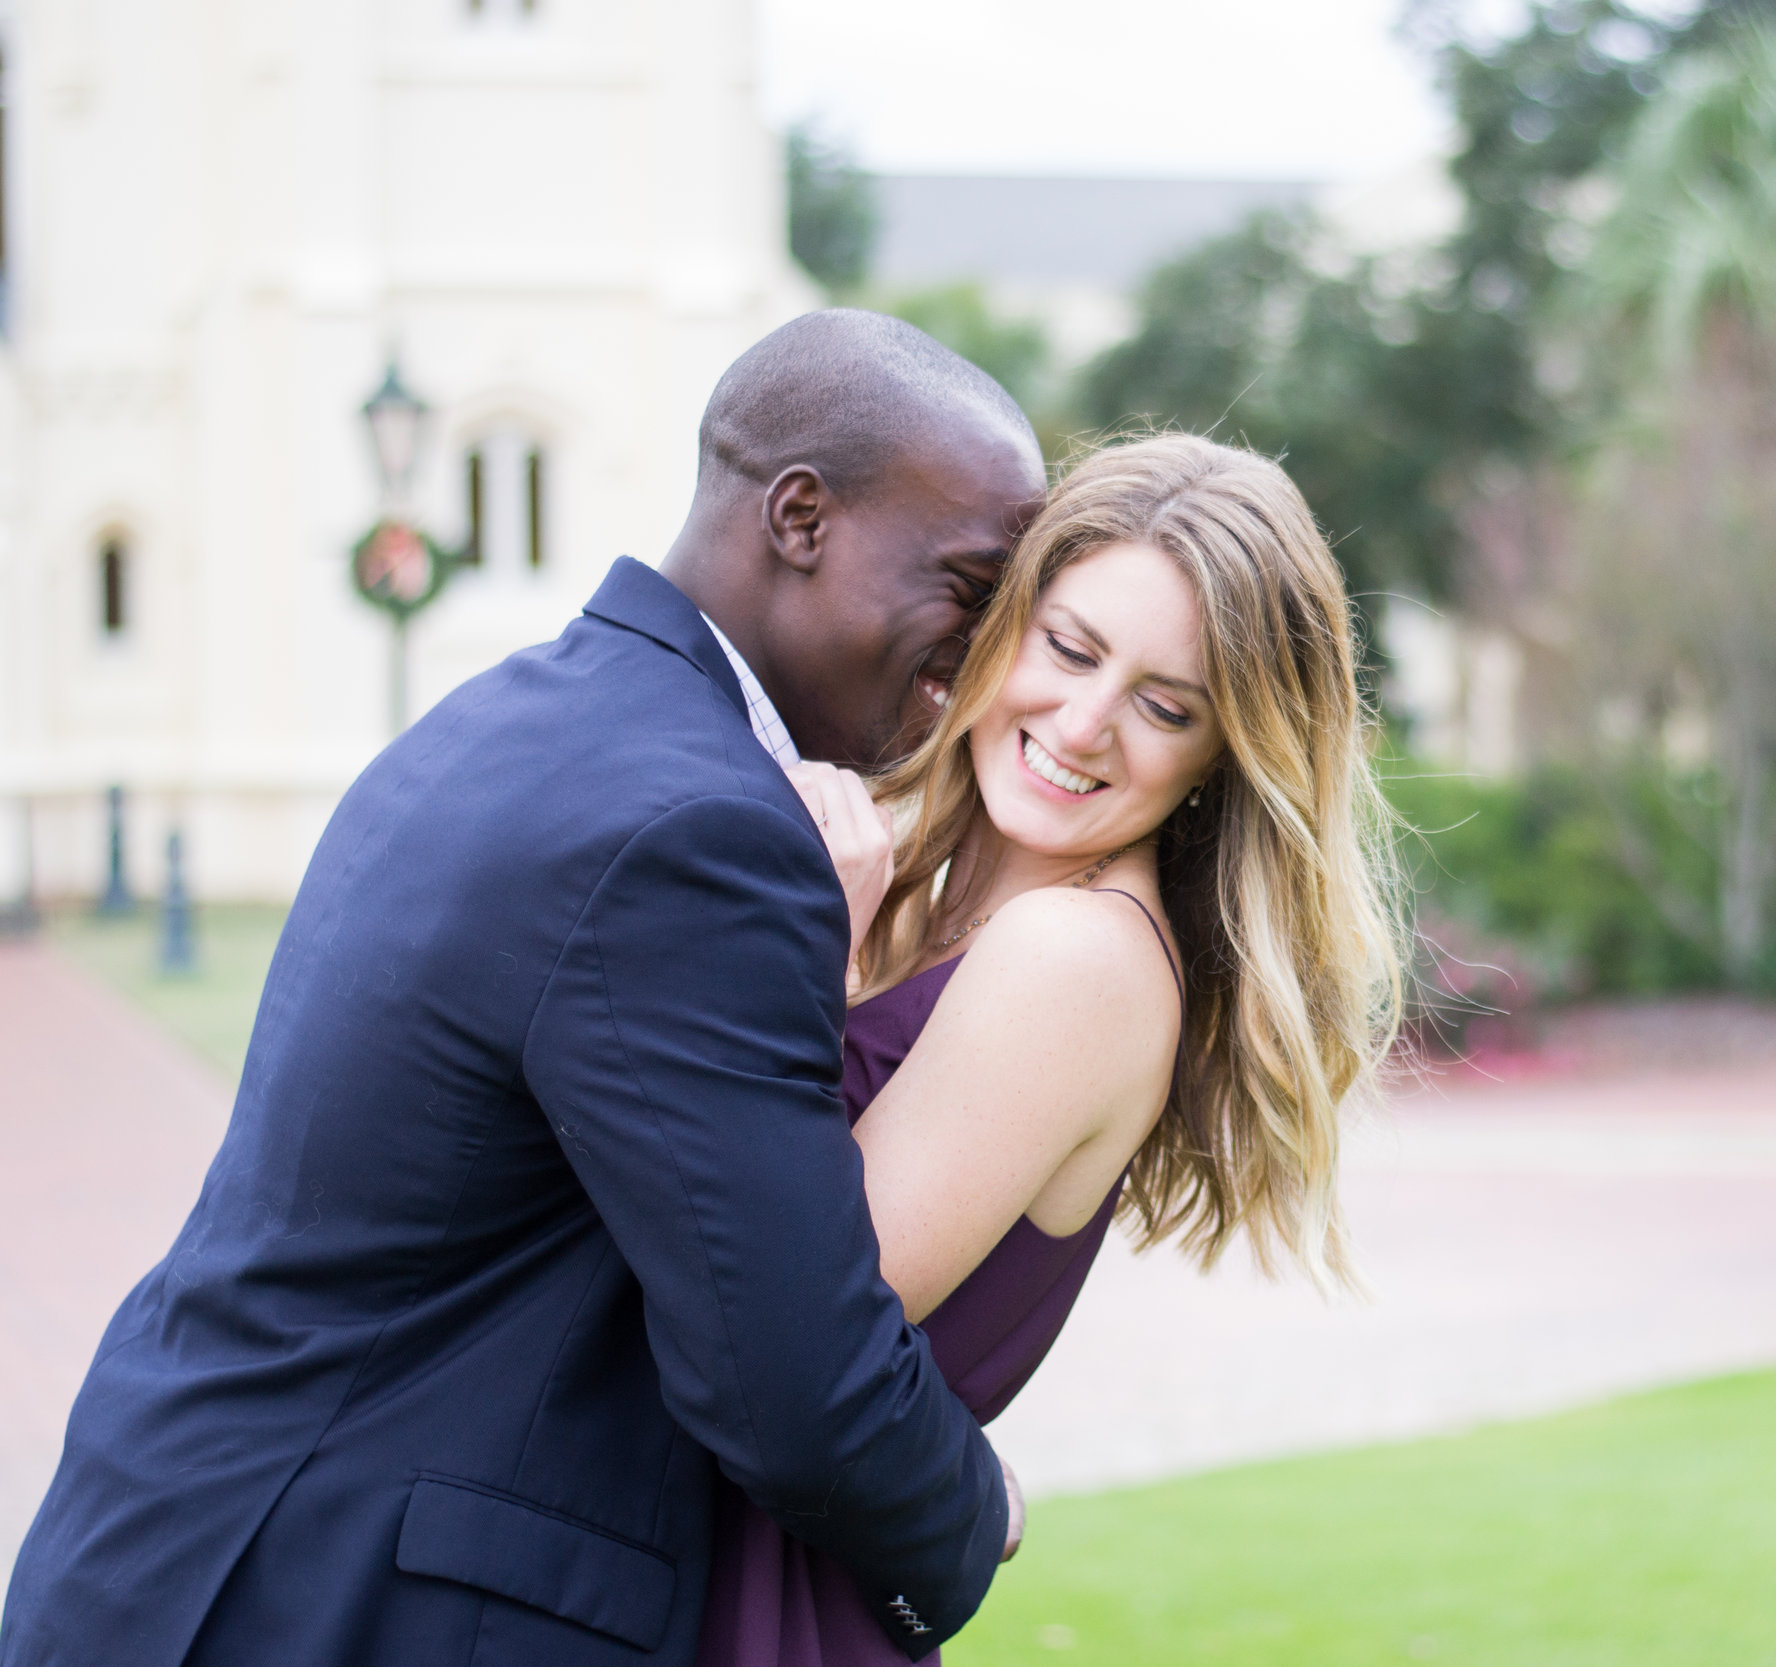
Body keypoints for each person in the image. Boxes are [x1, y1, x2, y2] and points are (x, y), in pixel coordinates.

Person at [0, 312, 1046, 1667]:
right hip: (327, 1602)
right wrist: (976, 1510)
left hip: (169, 1546)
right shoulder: (701, 830)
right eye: (970, 587)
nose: (980, 657)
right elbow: (791, 1373)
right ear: (801, 516)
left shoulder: (511, 715)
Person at [697, 432, 1406, 1664]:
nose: (1081, 724)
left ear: (1219, 759)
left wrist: (806, 958)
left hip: (768, 1617)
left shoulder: (1077, 960)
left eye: (1165, 705)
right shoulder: (908, 881)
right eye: (1070, 648)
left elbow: (788, 1305)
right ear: (1002, 625)